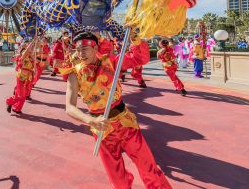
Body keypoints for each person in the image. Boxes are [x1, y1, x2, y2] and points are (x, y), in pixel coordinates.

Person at [64, 32, 171, 189]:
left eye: (85, 48)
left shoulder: (111, 62)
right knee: (118, 181)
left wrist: (135, 38)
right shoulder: (74, 75)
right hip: (102, 129)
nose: (80, 53)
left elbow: (140, 59)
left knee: (149, 168)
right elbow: (69, 107)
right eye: (77, 49)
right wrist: (90, 120)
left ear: (95, 48)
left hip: (126, 123)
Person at [6, 38, 36, 114]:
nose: (27, 52)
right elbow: (27, 50)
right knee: (21, 95)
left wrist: (36, 41)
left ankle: (17, 108)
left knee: (24, 95)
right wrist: (32, 41)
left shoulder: (30, 58)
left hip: (28, 79)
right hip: (21, 78)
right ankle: (9, 102)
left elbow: (32, 50)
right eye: (25, 51)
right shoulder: (22, 58)